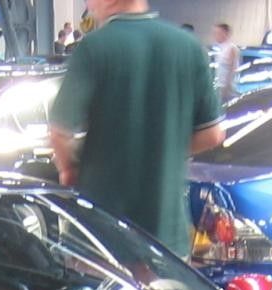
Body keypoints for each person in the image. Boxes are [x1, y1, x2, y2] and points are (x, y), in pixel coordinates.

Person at [49, 0, 223, 252]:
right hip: (168, 240)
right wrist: (163, 149)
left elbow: (60, 132)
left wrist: (69, 170)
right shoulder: (189, 47)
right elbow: (213, 134)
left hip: (103, 237)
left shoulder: (94, 48)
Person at [212, 22, 240, 103]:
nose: (215, 36)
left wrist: (227, 87)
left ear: (225, 33)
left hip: (227, 88)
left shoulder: (231, 48)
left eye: (218, 33)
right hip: (220, 86)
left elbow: (233, 69)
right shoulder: (220, 48)